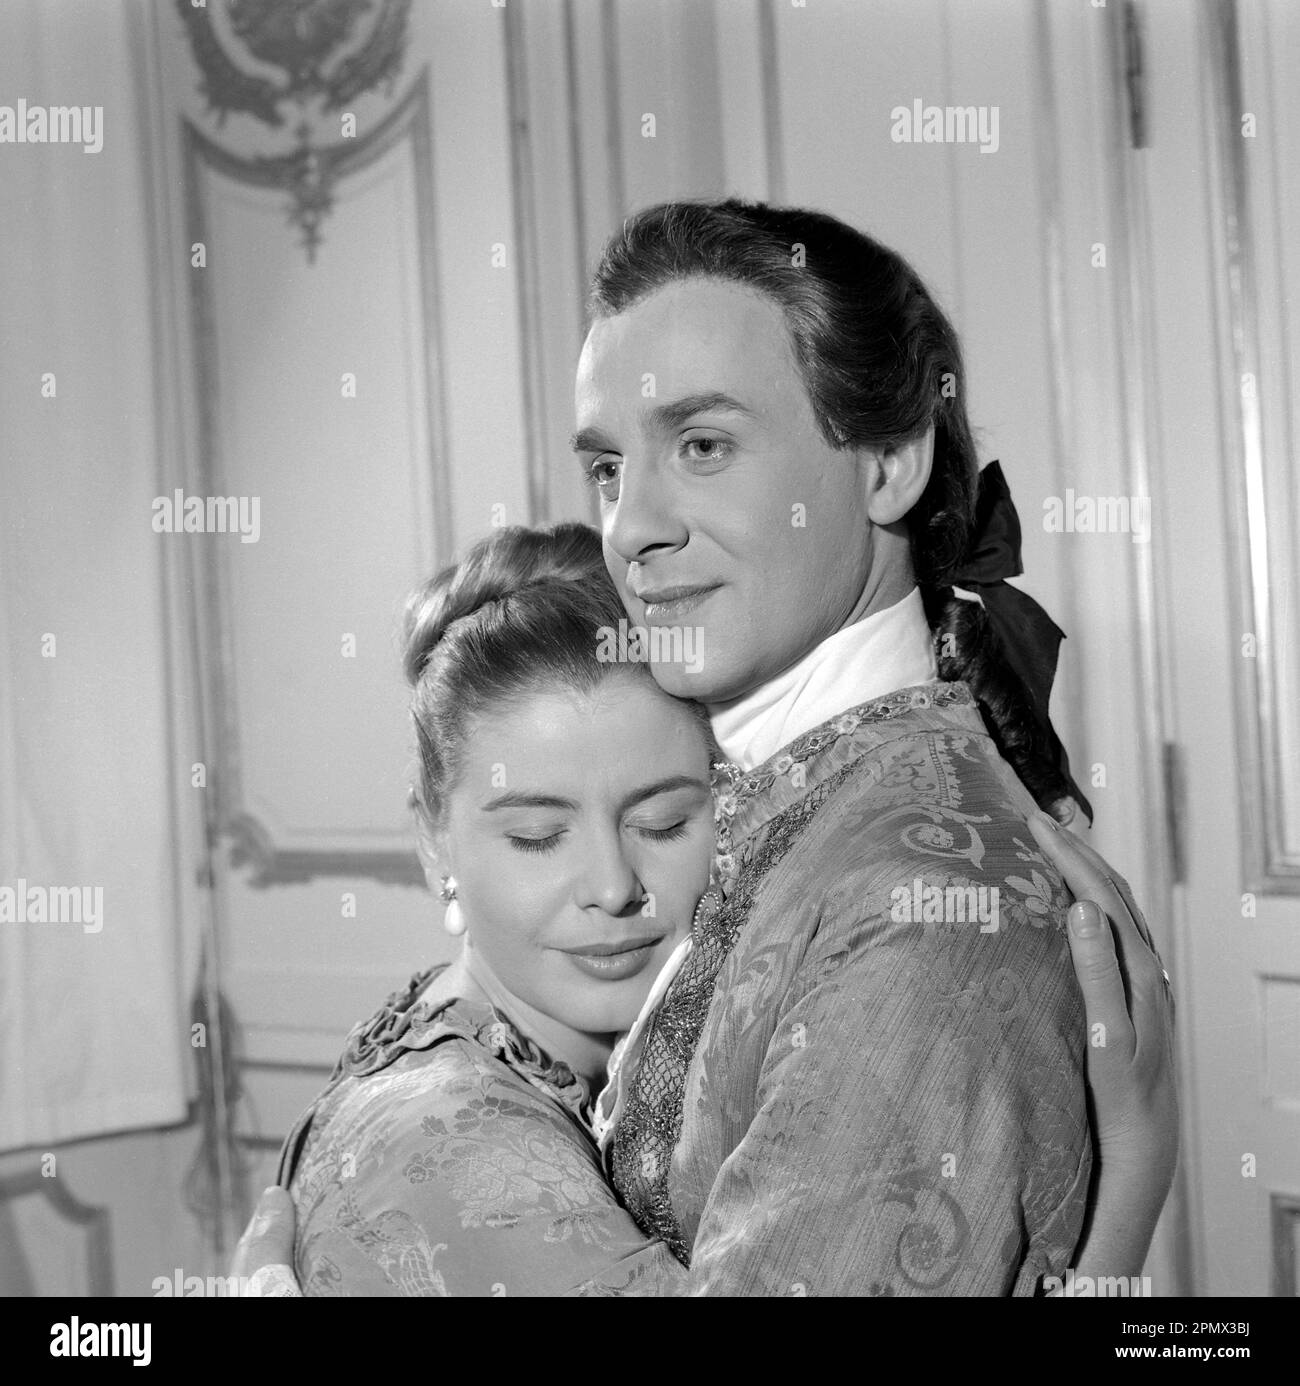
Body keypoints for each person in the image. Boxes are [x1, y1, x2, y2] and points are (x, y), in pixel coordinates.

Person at [238, 198, 1178, 1295]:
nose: (633, 526)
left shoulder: (917, 911)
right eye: (606, 469)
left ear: (888, 462)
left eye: (701, 445)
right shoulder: (748, 793)